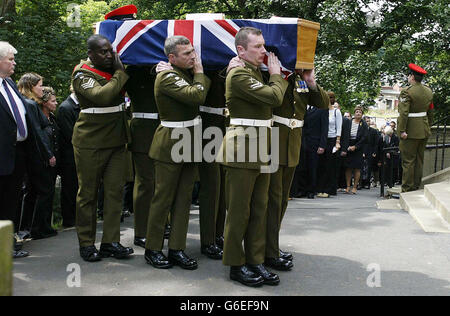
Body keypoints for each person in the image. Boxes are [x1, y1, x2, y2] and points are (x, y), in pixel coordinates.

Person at [219, 27, 288, 287]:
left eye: (263, 45)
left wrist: (269, 74)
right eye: (257, 47)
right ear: (241, 50)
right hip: (241, 149)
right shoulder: (238, 74)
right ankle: (236, 265)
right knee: (239, 211)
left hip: (261, 147)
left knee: (259, 209)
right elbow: (274, 97)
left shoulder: (252, 72)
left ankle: (255, 260)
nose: (264, 51)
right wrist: (276, 75)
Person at [144, 35, 211, 270]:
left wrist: (197, 74)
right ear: (171, 58)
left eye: (193, 51)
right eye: (187, 54)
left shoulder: (183, 74)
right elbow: (197, 95)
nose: (193, 56)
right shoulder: (167, 76)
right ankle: (153, 248)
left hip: (188, 141)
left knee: (183, 200)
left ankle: (176, 248)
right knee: (163, 198)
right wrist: (201, 72)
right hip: (171, 143)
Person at [72, 34, 133, 262]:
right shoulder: (82, 74)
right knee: (88, 194)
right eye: (102, 52)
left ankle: (110, 241)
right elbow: (103, 96)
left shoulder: (111, 71)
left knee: (115, 193)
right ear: (90, 54)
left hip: (116, 141)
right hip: (91, 143)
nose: (108, 56)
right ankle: (86, 243)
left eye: (110, 50)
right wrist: (120, 72)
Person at [266, 68, 329, 271]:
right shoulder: (273, 73)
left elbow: (323, 103)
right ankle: (267, 249)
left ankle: (272, 245)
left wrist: (311, 81)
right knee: (272, 200)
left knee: (282, 199)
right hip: (274, 141)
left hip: (292, 143)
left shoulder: (300, 79)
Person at [0, 41, 46, 258]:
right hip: (2, 154)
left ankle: (8, 243)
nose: (14, 63)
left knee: (12, 201)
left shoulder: (8, 84)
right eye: (10, 59)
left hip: (18, 154)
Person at [17, 73, 55, 238]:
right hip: (37, 156)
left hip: (29, 155)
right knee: (44, 190)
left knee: (31, 192)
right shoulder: (31, 105)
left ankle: (26, 227)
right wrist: (48, 154)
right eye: (39, 85)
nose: (42, 89)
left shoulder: (22, 102)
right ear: (31, 87)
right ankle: (39, 228)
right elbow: (37, 132)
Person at [125, 65, 159, 248]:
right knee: (145, 183)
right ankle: (141, 232)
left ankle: (158, 226)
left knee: (161, 184)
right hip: (144, 132)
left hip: (164, 130)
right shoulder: (134, 71)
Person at [29, 86, 60, 239]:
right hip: (42, 161)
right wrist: (47, 156)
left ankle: (46, 225)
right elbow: (40, 139)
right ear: (45, 103)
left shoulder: (52, 118)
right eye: (53, 101)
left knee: (50, 193)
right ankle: (36, 227)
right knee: (43, 193)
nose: (56, 103)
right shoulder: (38, 118)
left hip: (53, 160)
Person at [398, 64, 433, 192]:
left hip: (410, 131)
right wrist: (428, 126)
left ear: (412, 76)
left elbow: (404, 113)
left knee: (408, 161)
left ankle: (407, 188)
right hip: (423, 129)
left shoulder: (407, 91)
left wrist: (402, 130)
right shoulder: (428, 91)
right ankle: (416, 186)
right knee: (419, 159)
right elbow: (431, 112)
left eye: (409, 75)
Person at [56, 86, 80, 228]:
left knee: (76, 187)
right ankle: (69, 219)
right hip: (69, 157)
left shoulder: (76, 107)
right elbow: (69, 134)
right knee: (69, 189)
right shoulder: (66, 108)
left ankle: (75, 217)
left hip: (76, 154)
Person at [317, 91, 342, 197]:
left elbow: (339, 127)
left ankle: (329, 189)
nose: (328, 99)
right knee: (321, 165)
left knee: (330, 166)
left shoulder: (336, 112)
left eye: (330, 97)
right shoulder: (322, 111)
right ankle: (320, 188)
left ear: (332, 99)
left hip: (332, 140)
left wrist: (337, 142)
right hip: (323, 140)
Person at [345, 106, 368, 194]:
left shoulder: (364, 124)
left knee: (357, 168)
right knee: (348, 167)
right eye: (357, 112)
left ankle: (355, 187)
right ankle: (347, 186)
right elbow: (345, 134)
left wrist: (356, 146)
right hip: (349, 145)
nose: (358, 113)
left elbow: (364, 138)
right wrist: (347, 146)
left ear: (362, 114)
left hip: (358, 147)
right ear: (354, 113)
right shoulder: (349, 122)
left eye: (360, 112)